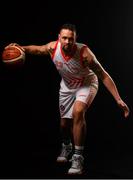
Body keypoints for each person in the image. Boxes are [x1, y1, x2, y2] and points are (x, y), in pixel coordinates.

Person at [5, 23, 130, 175]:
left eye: (71, 39)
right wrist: (21, 48)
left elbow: (103, 75)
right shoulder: (53, 48)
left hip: (86, 83)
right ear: (59, 38)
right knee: (64, 124)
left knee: (78, 112)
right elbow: (37, 50)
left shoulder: (85, 53)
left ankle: (78, 157)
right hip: (67, 87)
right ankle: (67, 146)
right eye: (64, 38)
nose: (67, 42)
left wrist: (118, 99)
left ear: (75, 39)